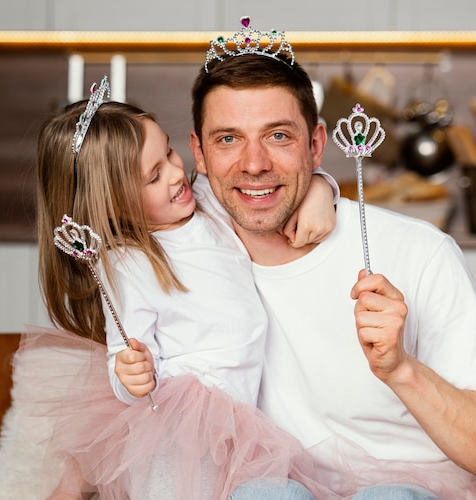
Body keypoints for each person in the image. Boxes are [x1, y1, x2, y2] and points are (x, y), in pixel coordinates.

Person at [188, 18, 476, 500]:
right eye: (228, 138)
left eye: (278, 136)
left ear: (316, 144)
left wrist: (401, 368)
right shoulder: (185, 248)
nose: (254, 162)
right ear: (199, 153)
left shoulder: (417, 251)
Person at [26, 76, 340, 499]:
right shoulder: (130, 262)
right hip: (179, 426)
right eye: (154, 176)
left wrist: (322, 189)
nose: (177, 173)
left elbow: (277, 187)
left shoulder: (208, 200)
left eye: (169, 152)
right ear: (113, 203)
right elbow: (126, 355)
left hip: (241, 419)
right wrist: (129, 375)